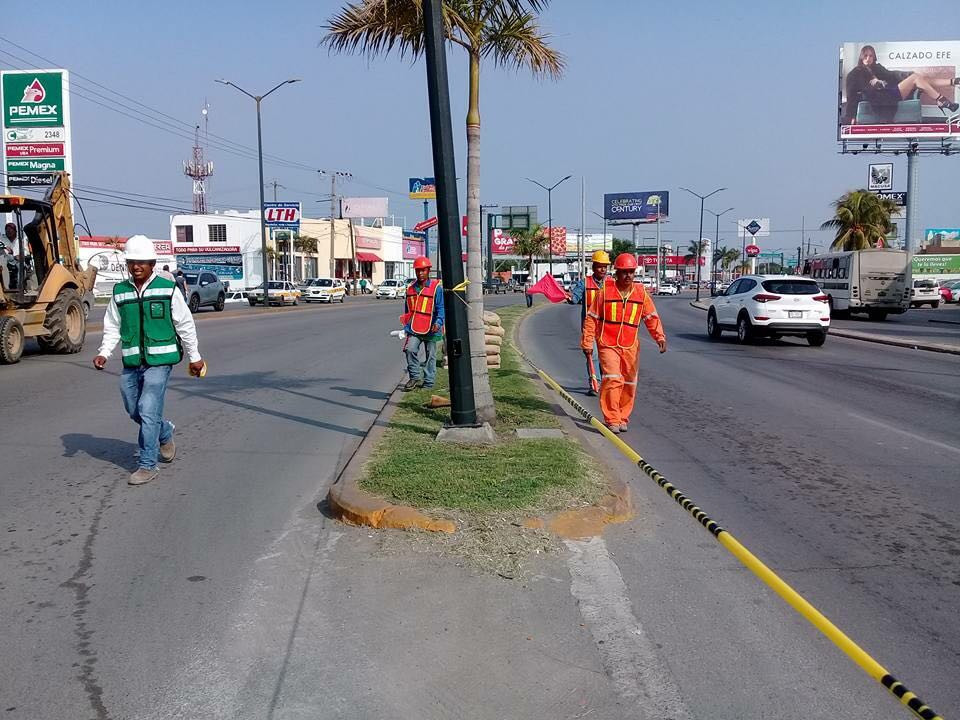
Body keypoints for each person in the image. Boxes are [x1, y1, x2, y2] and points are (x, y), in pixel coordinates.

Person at [93, 235, 205, 486]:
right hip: (132, 362)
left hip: (160, 361)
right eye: (132, 262)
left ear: (152, 263)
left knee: (147, 409)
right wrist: (104, 352)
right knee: (134, 410)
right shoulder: (120, 292)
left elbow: (184, 324)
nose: (136, 267)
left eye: (142, 262)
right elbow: (112, 326)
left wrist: (195, 357)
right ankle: (164, 432)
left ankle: (147, 465)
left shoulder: (167, 289)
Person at [581, 253, 666, 434]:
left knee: (629, 383)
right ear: (617, 273)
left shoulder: (641, 294)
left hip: (630, 346)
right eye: (624, 272)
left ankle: (622, 416)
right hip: (607, 343)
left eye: (631, 272)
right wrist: (587, 341)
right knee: (612, 378)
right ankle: (612, 418)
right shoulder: (605, 293)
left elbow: (651, 317)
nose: (628, 275)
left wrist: (660, 337)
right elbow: (591, 318)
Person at [843, 45, 960, 125]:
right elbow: (851, 94)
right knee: (915, 78)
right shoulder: (856, 73)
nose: (868, 59)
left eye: (871, 56)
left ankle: (952, 82)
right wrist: (851, 116)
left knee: (918, 78)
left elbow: (892, 75)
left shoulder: (877, 68)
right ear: (861, 57)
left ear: (874, 57)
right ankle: (942, 100)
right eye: (866, 56)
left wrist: (905, 75)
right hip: (884, 100)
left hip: (891, 92)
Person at [400, 256, 444, 391]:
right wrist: (406, 328)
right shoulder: (410, 289)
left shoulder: (436, 288)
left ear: (428, 270)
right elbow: (408, 311)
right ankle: (414, 376)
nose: (420, 273)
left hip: (432, 328)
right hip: (414, 328)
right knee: (410, 350)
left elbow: (441, 308)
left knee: (430, 355)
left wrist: (438, 322)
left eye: (423, 270)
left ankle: (428, 382)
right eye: (418, 270)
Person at [570, 250, 611, 395]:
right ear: (593, 267)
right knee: (592, 355)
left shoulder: (611, 284)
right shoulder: (584, 283)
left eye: (605, 266)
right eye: (600, 266)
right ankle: (595, 384)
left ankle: (605, 383)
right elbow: (574, 297)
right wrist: (570, 297)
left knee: (605, 357)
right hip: (590, 328)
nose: (603, 269)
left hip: (607, 328)